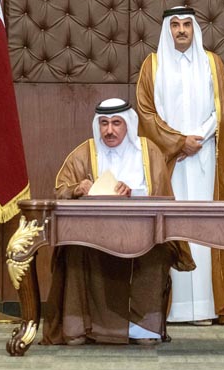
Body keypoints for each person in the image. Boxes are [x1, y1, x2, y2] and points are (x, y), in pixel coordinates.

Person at [42, 98, 195, 346]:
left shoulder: (148, 153)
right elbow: (60, 190)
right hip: (93, 236)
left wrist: (133, 192)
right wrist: (76, 189)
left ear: (128, 125)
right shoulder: (84, 153)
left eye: (116, 123)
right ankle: (80, 327)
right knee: (74, 250)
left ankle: (142, 329)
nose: (109, 130)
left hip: (143, 234)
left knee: (157, 252)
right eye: (103, 123)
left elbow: (165, 197)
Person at [135, 6, 224, 325]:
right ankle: (172, 308)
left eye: (187, 25)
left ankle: (206, 308)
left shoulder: (212, 63)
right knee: (173, 227)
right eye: (175, 25)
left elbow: (220, 111)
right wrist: (178, 142)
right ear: (167, 29)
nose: (181, 30)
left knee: (205, 227)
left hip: (206, 157)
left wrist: (198, 138)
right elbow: (146, 113)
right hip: (169, 161)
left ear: (195, 29)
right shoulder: (151, 65)